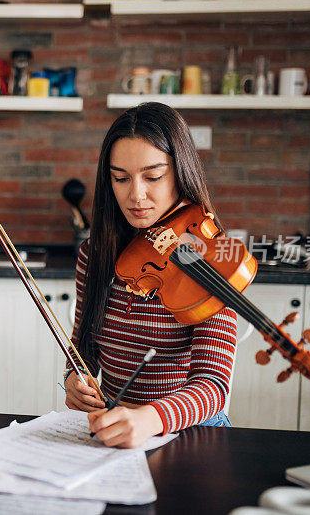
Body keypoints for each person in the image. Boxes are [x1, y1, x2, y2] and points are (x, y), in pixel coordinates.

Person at [64, 102, 237, 448]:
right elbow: (84, 344)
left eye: (153, 176)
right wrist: (74, 378)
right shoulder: (94, 255)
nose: (136, 194)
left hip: (189, 435)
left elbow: (213, 386)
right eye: (121, 178)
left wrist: (148, 419)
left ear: (181, 172)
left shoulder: (214, 258)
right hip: (113, 430)